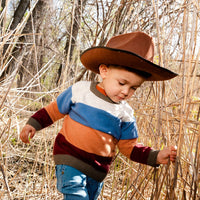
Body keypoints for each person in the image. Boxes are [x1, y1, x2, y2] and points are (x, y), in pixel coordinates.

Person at [20, 31, 178, 200]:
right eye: (122, 83)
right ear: (104, 71)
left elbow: (129, 147)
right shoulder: (81, 91)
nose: (126, 92)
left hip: (97, 172)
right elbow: (53, 111)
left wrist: (155, 156)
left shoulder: (126, 115)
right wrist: (34, 123)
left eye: (133, 88)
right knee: (76, 196)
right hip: (69, 159)